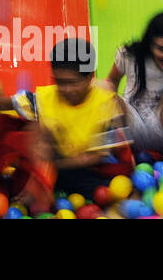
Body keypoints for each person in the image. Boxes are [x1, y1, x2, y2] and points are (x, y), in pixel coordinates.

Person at [13, 37, 130, 197]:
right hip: (53, 166)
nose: (66, 89)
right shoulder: (46, 98)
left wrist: (55, 164)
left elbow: (96, 158)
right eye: (59, 82)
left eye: (72, 83)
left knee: (105, 191)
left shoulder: (106, 104)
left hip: (84, 169)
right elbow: (17, 110)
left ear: (90, 77)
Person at [101, 11, 163, 154]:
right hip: (132, 126)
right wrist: (114, 114)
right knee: (101, 86)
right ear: (149, 43)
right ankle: (119, 154)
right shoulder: (130, 56)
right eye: (162, 49)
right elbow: (112, 80)